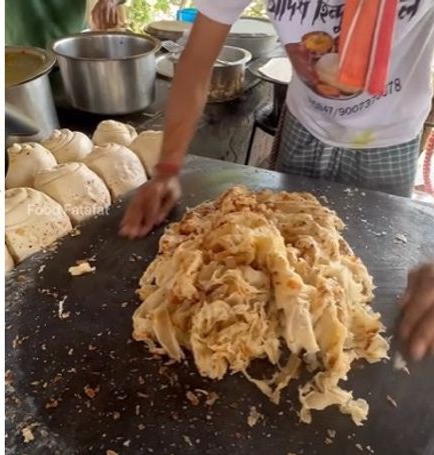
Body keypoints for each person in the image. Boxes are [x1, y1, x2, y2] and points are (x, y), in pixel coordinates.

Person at [118, 2, 434, 361]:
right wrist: (168, 169)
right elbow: (197, 59)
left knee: (367, 277)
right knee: (284, 260)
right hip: (304, 126)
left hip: (388, 140)